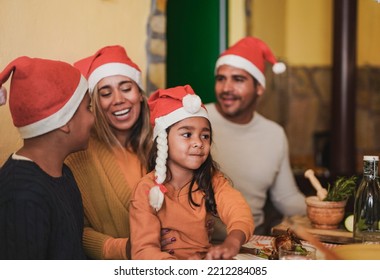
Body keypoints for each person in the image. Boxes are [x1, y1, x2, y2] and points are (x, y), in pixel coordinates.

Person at [65, 45, 175, 260]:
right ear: (95, 103)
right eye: (105, 93)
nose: (118, 99)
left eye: (126, 88)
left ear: (140, 94)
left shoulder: (162, 143)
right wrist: (125, 248)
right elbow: (72, 230)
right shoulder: (78, 156)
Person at [129, 85, 254, 260]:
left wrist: (232, 241)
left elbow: (238, 210)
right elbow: (144, 252)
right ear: (163, 141)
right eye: (187, 134)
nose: (198, 142)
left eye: (205, 136)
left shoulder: (212, 180)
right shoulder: (146, 190)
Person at [205, 36, 306, 236]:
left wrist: (322, 207)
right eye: (221, 78)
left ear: (259, 87)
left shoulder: (274, 134)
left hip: (252, 244)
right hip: (199, 245)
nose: (226, 88)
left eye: (238, 79)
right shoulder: (196, 120)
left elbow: (286, 197)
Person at [0, 56, 94, 259]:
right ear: (64, 120)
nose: (93, 118)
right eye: (88, 108)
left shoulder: (63, 173)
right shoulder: (21, 195)